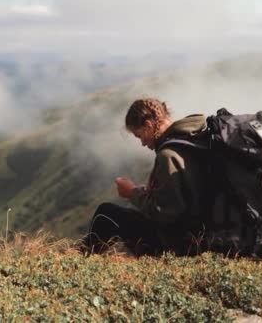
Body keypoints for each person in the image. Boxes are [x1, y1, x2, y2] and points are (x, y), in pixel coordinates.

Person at [82, 98, 213, 256]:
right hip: (205, 239)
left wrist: (132, 193)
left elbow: (165, 214)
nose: (143, 144)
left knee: (105, 213)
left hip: (179, 247)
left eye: (140, 136)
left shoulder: (168, 155)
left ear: (149, 125)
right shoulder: (193, 140)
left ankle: (77, 265)